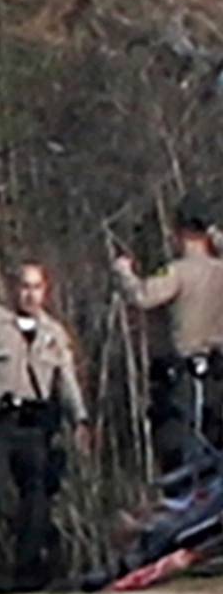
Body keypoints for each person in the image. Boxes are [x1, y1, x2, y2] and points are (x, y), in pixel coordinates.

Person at [0, 262, 89, 593]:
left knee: (37, 500)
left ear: (46, 290)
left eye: (37, 287)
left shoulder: (54, 333)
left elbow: (66, 381)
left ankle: (26, 576)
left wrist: (80, 418)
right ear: (13, 288)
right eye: (24, 286)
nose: (30, 294)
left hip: (35, 426)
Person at [114, 201, 223, 469]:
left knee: (178, 448)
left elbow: (142, 296)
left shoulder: (178, 272)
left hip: (183, 376)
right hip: (219, 375)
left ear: (179, 232)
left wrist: (123, 272)